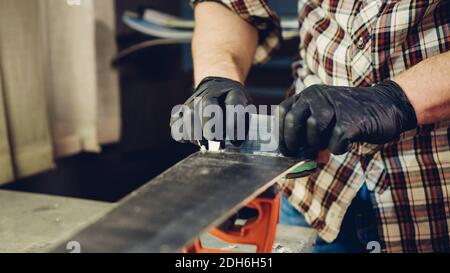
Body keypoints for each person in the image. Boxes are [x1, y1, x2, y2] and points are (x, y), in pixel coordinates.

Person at [173, 0, 450, 252]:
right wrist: (217, 76)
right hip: (316, 190)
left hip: (434, 194)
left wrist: (396, 100)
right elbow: (234, 7)